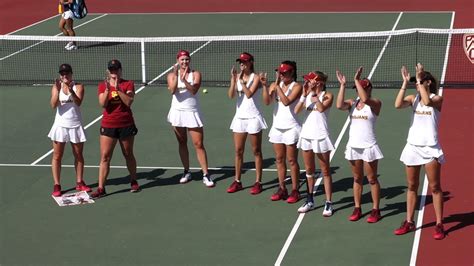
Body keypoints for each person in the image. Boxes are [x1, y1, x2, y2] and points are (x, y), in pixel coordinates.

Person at [394, 64, 446, 240]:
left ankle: (439, 224)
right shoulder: (412, 98)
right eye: (416, 82)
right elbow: (397, 104)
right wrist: (404, 82)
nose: (416, 84)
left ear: (428, 82)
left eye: (420, 82)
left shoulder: (437, 98)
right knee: (411, 186)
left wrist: (420, 80)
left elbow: (427, 102)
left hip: (430, 148)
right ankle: (409, 221)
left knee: (435, 187)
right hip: (413, 147)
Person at [335, 67, 383, 223]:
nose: (357, 91)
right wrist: (342, 85)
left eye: (361, 88)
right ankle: (357, 208)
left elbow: (366, 99)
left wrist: (356, 80)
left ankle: (376, 210)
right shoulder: (352, 103)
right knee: (357, 178)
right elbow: (338, 105)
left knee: (372, 179)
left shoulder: (375, 103)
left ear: (368, 88)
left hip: (368, 147)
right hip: (354, 146)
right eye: (356, 88)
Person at [90, 59, 140, 198]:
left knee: (128, 153)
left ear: (120, 70)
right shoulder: (102, 86)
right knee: (105, 157)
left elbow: (129, 101)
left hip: (126, 124)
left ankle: (134, 181)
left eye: (116, 69)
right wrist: (108, 90)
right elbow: (102, 103)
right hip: (109, 125)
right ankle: (101, 188)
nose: (114, 72)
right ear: (108, 71)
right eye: (111, 70)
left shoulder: (128, 83)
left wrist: (118, 89)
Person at [167, 50, 214, 188]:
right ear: (178, 61)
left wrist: (184, 80)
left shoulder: (196, 74)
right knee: (182, 142)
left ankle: (205, 174)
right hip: (177, 113)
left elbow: (193, 90)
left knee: (198, 144)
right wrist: (176, 76)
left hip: (192, 112)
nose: (184, 62)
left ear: (189, 60)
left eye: (187, 59)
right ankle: (186, 171)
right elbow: (172, 90)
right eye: (182, 60)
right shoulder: (171, 75)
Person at [294, 71, 335, 216]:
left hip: (321, 136)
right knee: (309, 170)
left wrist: (313, 94)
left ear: (318, 82)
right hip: (306, 136)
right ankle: (310, 200)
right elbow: (296, 110)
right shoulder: (307, 95)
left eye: (310, 80)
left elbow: (322, 108)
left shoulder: (328, 95)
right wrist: (305, 95)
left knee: (325, 171)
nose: (307, 82)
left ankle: (329, 203)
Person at [226, 52, 268, 194]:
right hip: (239, 118)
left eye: (244, 62)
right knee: (238, 151)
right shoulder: (237, 77)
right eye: (240, 62)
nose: (242, 64)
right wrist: (233, 79)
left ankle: (258, 182)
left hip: (253, 118)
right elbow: (231, 95)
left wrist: (242, 83)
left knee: (256, 151)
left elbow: (249, 94)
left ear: (251, 63)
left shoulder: (256, 78)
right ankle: (237, 181)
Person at [262, 61, 302, 203]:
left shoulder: (297, 87)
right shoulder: (274, 85)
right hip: (277, 128)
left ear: (291, 73)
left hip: (291, 128)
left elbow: (286, 102)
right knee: (279, 159)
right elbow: (267, 102)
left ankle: (295, 190)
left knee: (292, 160)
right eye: (280, 72)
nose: (281, 74)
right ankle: (282, 188)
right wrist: (266, 87)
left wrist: (277, 86)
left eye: (284, 72)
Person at [49, 63, 90, 196]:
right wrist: (58, 89)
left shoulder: (79, 86)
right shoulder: (56, 87)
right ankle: (57, 185)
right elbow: (53, 105)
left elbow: (78, 102)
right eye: (62, 73)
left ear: (71, 74)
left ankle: (79, 182)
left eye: (67, 73)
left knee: (78, 155)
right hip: (60, 126)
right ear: (60, 75)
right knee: (57, 156)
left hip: (75, 125)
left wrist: (70, 89)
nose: (64, 75)